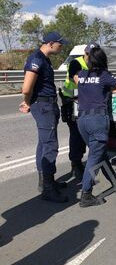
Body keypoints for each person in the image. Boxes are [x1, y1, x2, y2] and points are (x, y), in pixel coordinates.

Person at [75, 47, 116, 207]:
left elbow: (80, 85)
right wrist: (110, 92)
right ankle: (86, 195)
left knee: (99, 153)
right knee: (94, 157)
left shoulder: (82, 75)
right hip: (97, 120)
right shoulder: (105, 76)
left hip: (82, 120)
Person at [19, 32, 69, 203]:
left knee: (43, 143)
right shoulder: (36, 59)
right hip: (43, 106)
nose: (61, 47)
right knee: (50, 145)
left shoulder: (44, 59)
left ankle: (46, 182)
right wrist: (26, 102)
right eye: (60, 44)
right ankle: (48, 188)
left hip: (47, 104)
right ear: (51, 43)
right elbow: (26, 88)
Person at [59, 42, 100, 180]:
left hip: (86, 103)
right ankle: (75, 164)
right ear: (85, 52)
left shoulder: (95, 64)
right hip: (73, 102)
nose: (91, 56)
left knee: (85, 133)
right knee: (76, 134)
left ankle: (82, 160)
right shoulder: (76, 63)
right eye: (89, 54)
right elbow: (80, 83)